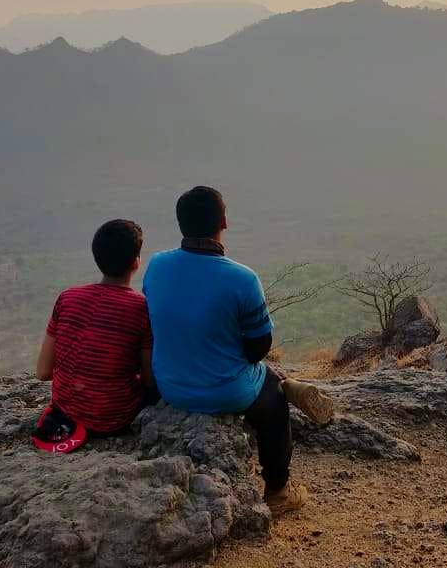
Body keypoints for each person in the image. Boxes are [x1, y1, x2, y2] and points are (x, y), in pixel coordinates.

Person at [143, 186, 333, 516]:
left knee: (260, 375)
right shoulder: (241, 278)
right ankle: (278, 489)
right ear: (224, 222)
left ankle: (288, 385)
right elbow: (259, 347)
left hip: (170, 386)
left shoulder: (157, 265)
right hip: (224, 392)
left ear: (181, 224)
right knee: (272, 396)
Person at [35, 219, 155, 439]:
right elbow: (149, 380)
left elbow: (43, 372)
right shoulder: (141, 309)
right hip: (113, 420)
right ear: (136, 263)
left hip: (64, 415)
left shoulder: (68, 297)